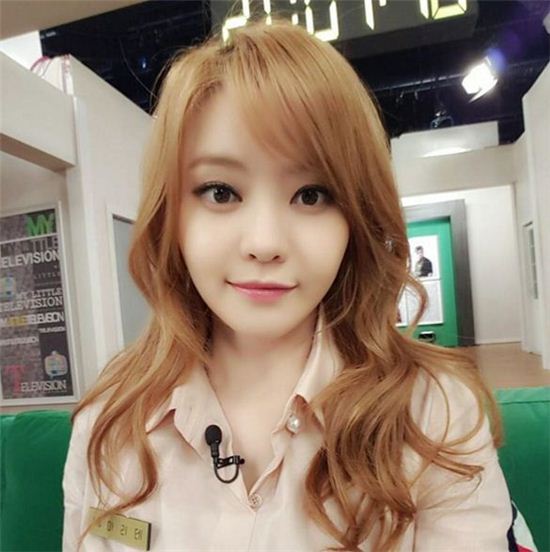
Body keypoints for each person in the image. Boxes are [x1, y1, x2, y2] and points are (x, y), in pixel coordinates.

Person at [62, 17, 513, 552]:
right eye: (221, 192)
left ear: (356, 217)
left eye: (312, 194)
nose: (265, 242)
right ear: (171, 213)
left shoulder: (433, 412)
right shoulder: (110, 419)